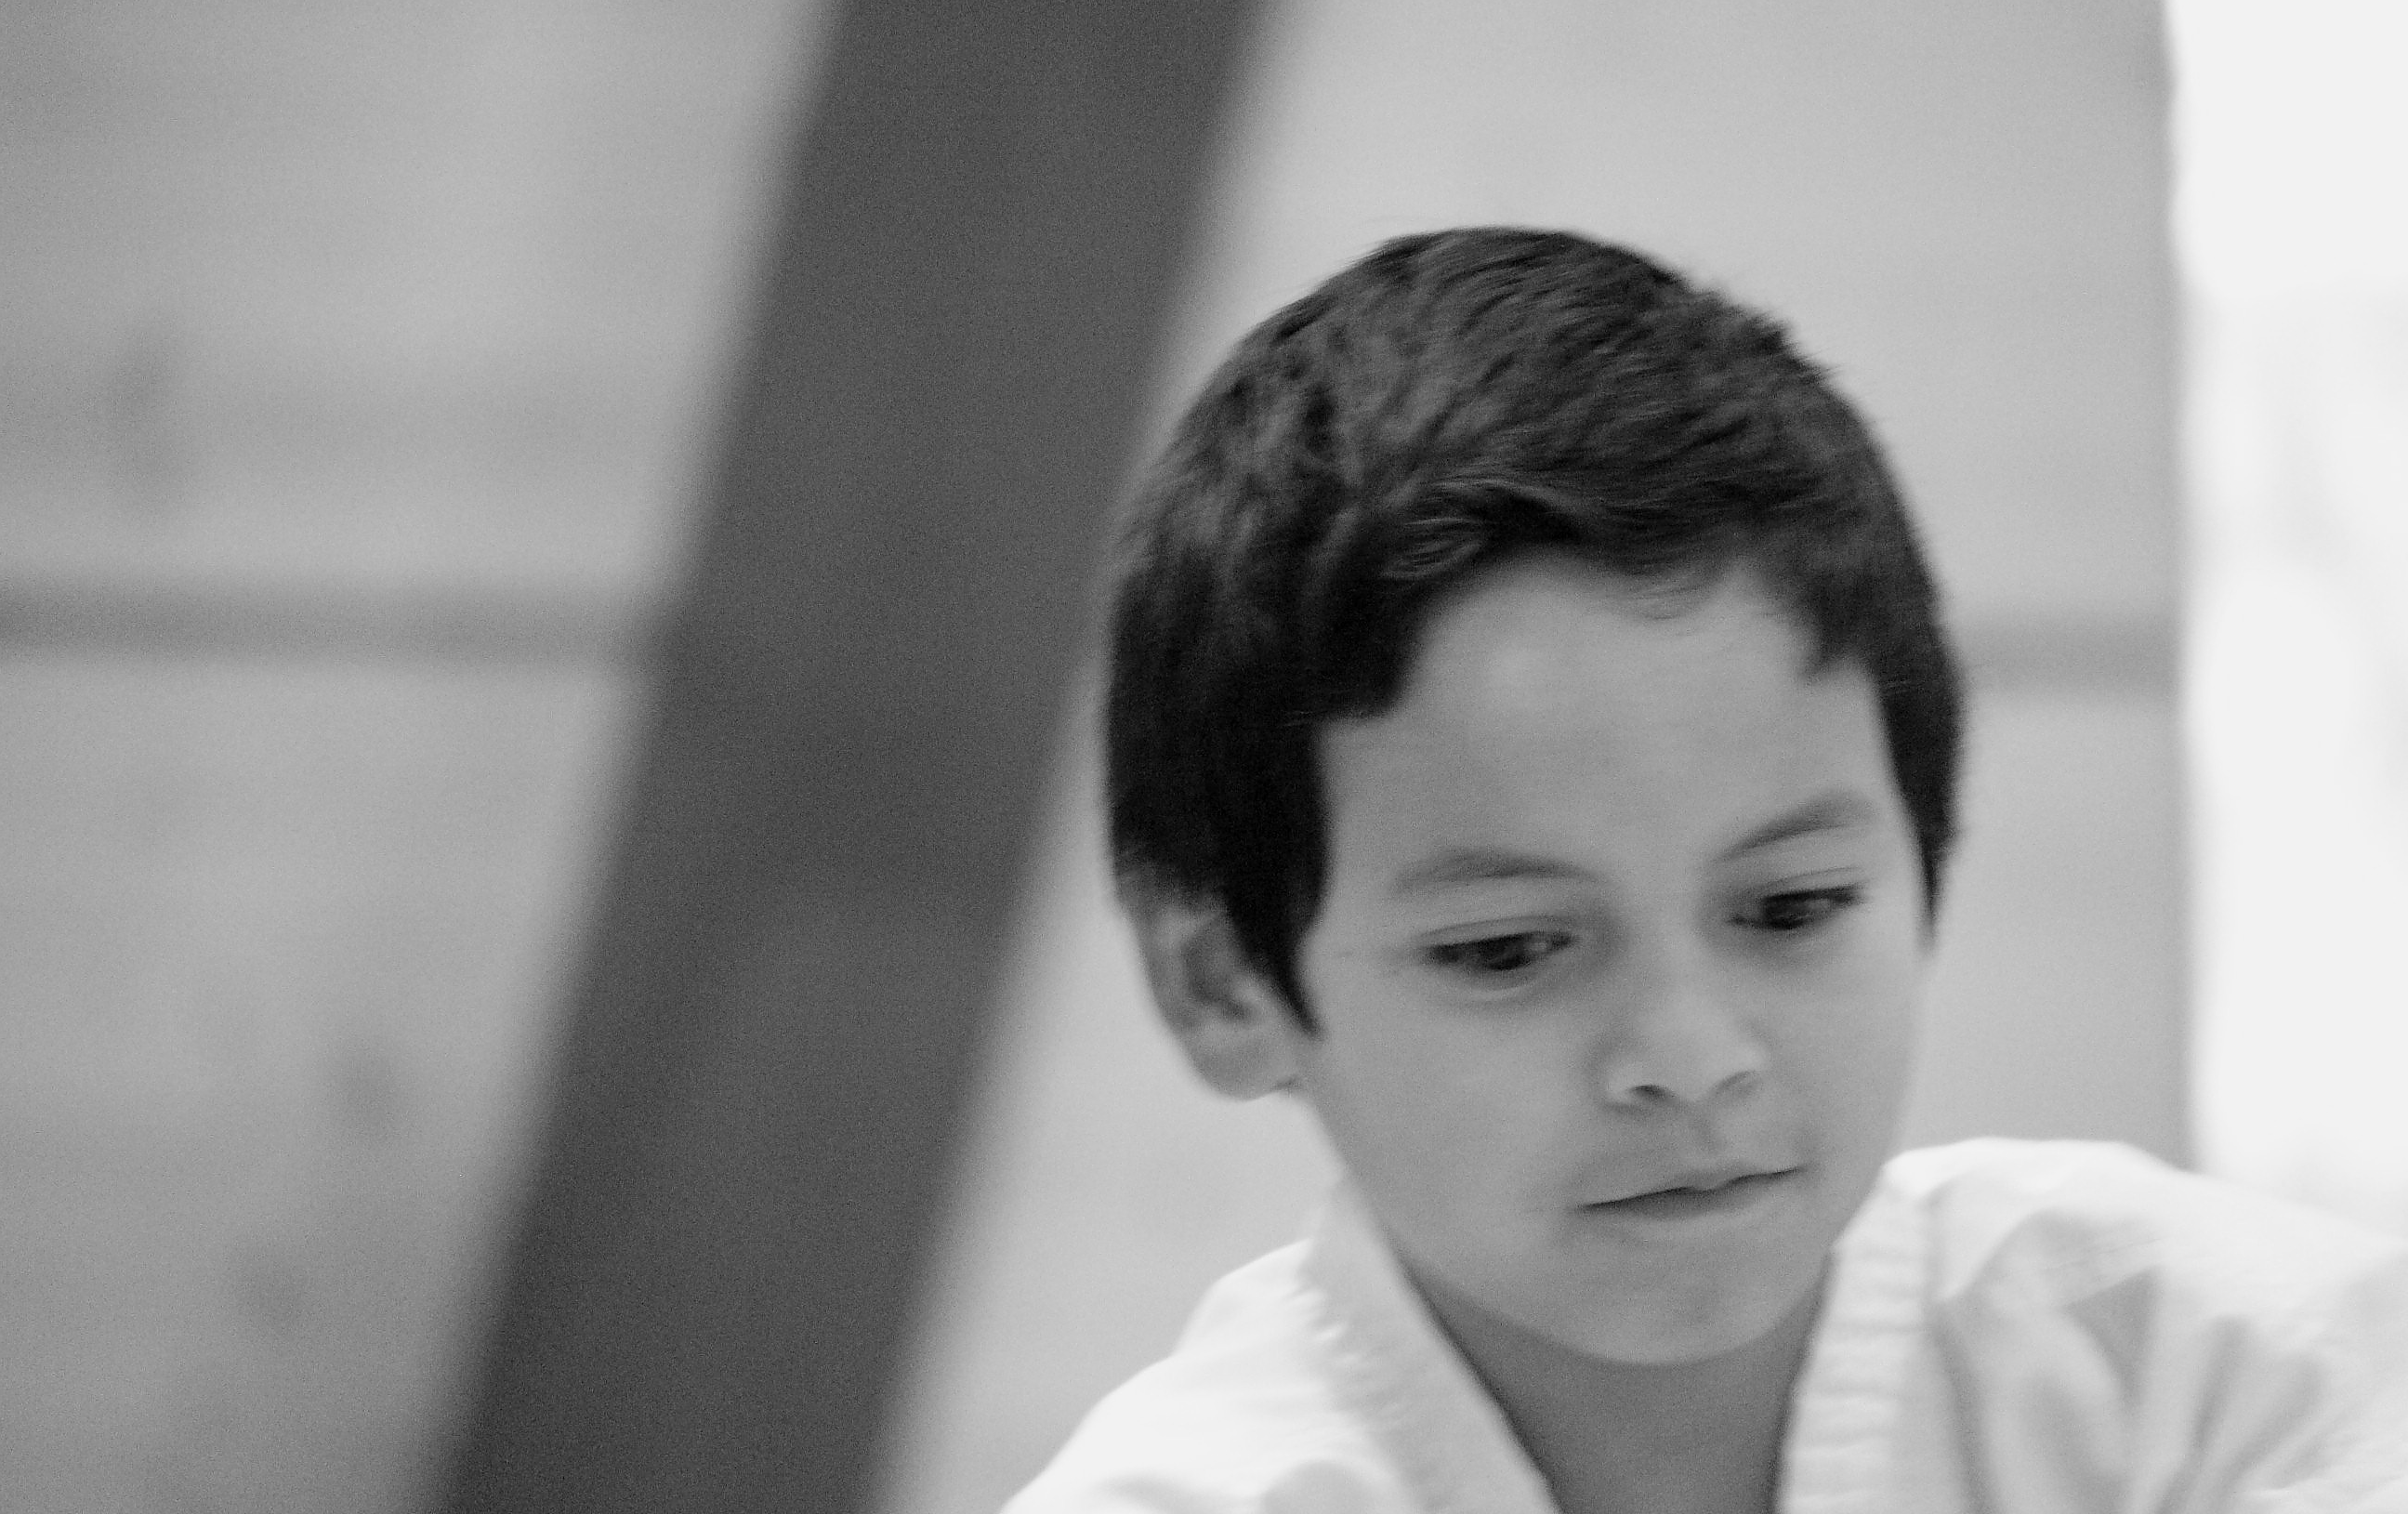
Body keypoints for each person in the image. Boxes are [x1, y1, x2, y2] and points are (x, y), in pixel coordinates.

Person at [1005, 230, 2408, 1513]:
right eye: (1507, 949)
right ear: (1221, 980)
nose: (1690, 1058)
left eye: (1791, 909)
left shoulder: (2223, 1377)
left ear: (1923, 863)